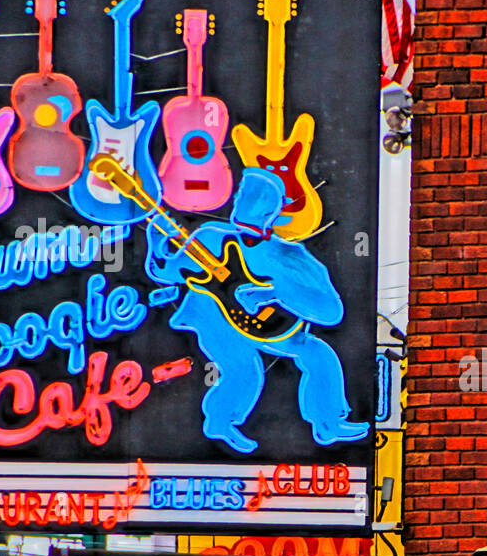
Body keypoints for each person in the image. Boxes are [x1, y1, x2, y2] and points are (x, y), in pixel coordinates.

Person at [144, 167, 368, 453]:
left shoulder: (290, 255)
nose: (238, 200)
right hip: (221, 324)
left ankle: (329, 423)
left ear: (267, 211)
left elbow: (332, 310)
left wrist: (274, 294)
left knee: (319, 354)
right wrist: (154, 242)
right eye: (240, 195)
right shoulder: (211, 237)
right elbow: (164, 271)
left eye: (247, 196)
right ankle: (220, 423)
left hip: (276, 328)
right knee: (244, 369)